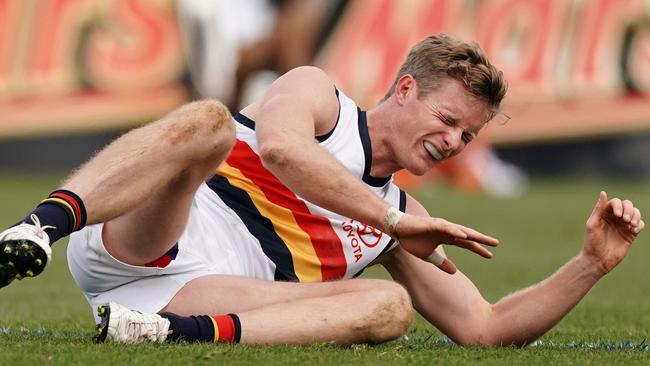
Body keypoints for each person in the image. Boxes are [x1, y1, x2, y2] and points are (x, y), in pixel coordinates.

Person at [0, 34, 644, 346]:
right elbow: (281, 149)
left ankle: (160, 335)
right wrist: (391, 225)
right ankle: (37, 228)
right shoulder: (318, 96)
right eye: (448, 122)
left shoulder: (403, 217)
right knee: (209, 123)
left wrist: (590, 265)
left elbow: (484, 328)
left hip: (192, 298)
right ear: (406, 89)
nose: (452, 144)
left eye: (467, 138)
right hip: (143, 235)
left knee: (389, 312)